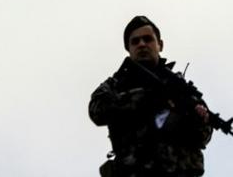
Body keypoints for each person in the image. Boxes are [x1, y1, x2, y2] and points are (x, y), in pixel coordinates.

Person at [90, 16, 212, 177]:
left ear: (160, 44)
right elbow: (96, 110)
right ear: (128, 48)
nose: (142, 44)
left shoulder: (180, 87)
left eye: (147, 39)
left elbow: (203, 137)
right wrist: (145, 98)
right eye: (135, 41)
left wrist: (200, 120)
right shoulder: (117, 83)